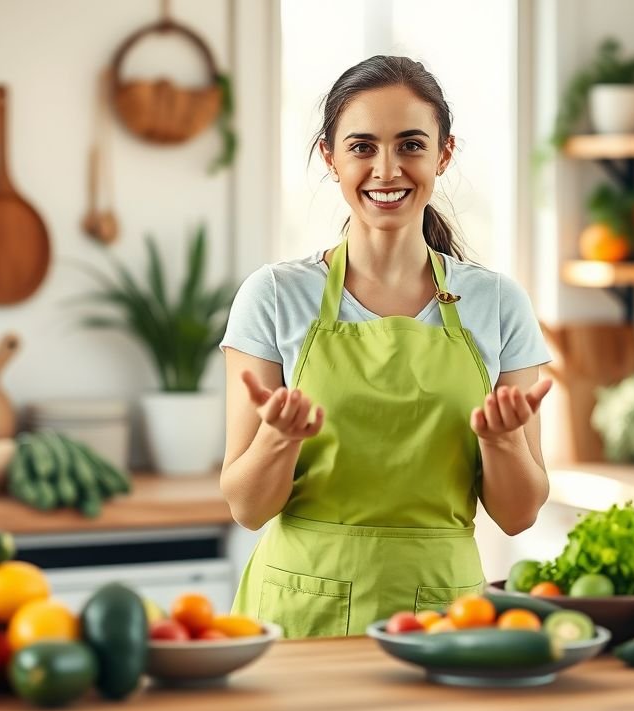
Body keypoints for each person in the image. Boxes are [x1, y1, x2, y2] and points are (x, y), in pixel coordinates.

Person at [218, 56, 553, 638]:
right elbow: (247, 509)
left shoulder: (498, 302)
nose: (386, 169)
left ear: (443, 154)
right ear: (331, 157)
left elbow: (519, 515)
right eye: (363, 147)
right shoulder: (273, 296)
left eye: (411, 145)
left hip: (446, 617)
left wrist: (502, 443)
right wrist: (278, 438)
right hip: (299, 613)